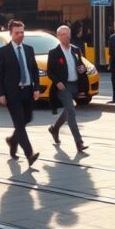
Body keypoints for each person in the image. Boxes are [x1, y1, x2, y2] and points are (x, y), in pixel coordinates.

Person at [0, 19, 40, 166]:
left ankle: (12, 140)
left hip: (27, 91)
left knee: (27, 118)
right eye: (17, 33)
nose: (20, 35)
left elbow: (34, 70)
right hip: (12, 94)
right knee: (19, 124)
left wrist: (37, 88)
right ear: (11, 34)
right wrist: (0, 93)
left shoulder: (29, 49)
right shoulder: (3, 52)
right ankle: (29, 154)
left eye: (22, 32)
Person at [46, 25, 89, 153]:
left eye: (67, 34)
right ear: (58, 37)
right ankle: (79, 142)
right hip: (63, 87)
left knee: (68, 110)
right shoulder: (54, 53)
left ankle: (54, 128)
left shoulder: (76, 50)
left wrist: (83, 69)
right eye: (63, 34)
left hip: (76, 85)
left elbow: (81, 65)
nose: (66, 36)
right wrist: (57, 81)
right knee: (71, 112)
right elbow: (50, 71)